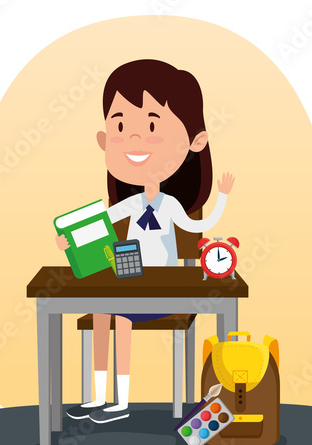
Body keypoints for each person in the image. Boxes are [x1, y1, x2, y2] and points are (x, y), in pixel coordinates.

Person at [56, 59, 235, 423]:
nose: (134, 140)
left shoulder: (170, 205)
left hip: (163, 292)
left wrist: (224, 196)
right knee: (103, 313)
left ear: (195, 141)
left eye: (153, 125)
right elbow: (100, 222)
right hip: (128, 282)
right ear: (104, 140)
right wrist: (70, 242)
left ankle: (120, 403)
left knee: (118, 315)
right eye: (120, 126)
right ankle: (97, 397)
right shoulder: (131, 204)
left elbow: (205, 221)